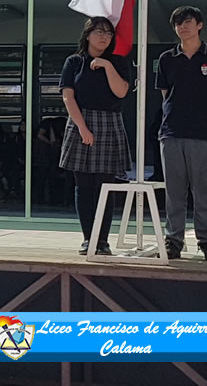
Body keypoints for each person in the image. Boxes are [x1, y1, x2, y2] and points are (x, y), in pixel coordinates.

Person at [156, 6, 207, 261]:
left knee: (202, 189)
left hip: (203, 134)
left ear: (199, 25)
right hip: (171, 133)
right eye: (178, 23)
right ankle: (173, 241)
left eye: (188, 21)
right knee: (174, 191)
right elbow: (165, 94)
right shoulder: (167, 58)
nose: (183, 27)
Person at [59, 17, 131, 257]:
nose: (104, 37)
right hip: (81, 121)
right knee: (84, 186)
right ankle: (88, 238)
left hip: (109, 121)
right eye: (99, 32)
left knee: (105, 186)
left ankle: (103, 240)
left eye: (109, 33)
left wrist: (106, 65)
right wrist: (82, 128)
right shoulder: (74, 62)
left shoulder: (118, 62)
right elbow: (68, 97)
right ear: (87, 34)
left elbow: (121, 91)